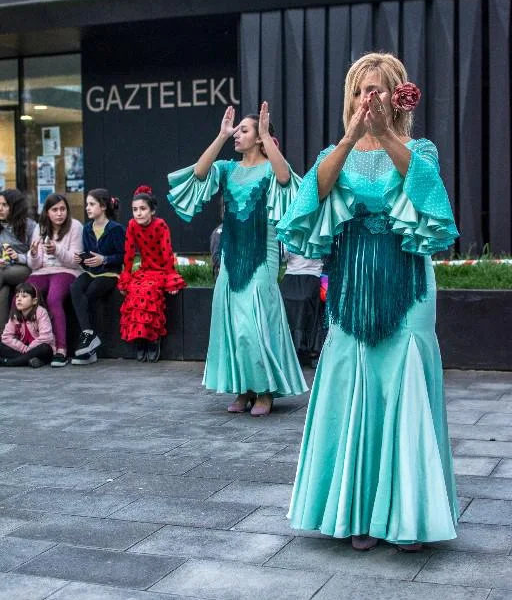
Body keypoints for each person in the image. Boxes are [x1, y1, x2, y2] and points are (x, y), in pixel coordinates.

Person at [277, 53, 459, 551]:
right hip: (351, 282)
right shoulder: (334, 152)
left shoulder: (420, 148)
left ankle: (408, 517)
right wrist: (352, 137)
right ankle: (356, 509)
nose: (368, 99)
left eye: (376, 90)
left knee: (406, 380)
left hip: (409, 282)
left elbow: (427, 191)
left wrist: (387, 135)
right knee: (353, 381)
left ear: (397, 96)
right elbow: (312, 194)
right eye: (360, 91)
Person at [167, 101, 308, 416]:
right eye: (237, 131)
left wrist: (267, 137)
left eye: (243, 130)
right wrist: (221, 135)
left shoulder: (271, 167)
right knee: (232, 324)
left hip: (262, 255)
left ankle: (265, 391)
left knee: (254, 326)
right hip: (231, 254)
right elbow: (199, 172)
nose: (237, 135)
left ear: (259, 137)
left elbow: (285, 179)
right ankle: (243, 389)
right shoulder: (227, 169)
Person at [118, 185, 185, 362]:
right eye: (135, 209)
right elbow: (129, 253)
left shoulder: (160, 225)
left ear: (152, 211)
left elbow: (167, 253)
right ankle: (140, 339)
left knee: (149, 292)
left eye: (143, 209)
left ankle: (153, 338)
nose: (138, 213)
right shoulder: (132, 225)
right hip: (145, 270)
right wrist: (126, 277)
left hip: (160, 271)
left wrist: (170, 278)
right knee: (134, 290)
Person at [70, 189, 125, 366]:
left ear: (103, 206)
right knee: (75, 287)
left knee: (91, 292)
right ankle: (88, 334)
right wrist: (81, 259)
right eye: (87, 204)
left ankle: (89, 346)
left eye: (92, 204)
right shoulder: (87, 229)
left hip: (110, 273)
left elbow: (123, 256)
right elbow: (88, 256)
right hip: (91, 272)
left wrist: (105, 259)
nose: (87, 207)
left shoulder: (116, 229)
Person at [27, 193, 83, 367]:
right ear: (47, 212)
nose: (59, 213)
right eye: (55, 210)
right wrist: (33, 254)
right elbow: (34, 265)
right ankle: (26, 346)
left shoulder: (75, 226)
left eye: (63, 209)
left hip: (67, 270)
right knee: (22, 296)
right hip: (41, 271)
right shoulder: (40, 227)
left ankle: (61, 349)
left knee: (54, 298)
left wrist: (57, 250)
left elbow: (76, 260)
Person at [280, 249, 325, 367]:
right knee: (285, 298)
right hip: (293, 273)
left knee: (304, 300)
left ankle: (304, 349)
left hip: (311, 273)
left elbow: (283, 257)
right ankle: (295, 348)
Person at [0, 189, 36, 334]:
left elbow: (37, 255)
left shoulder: (30, 226)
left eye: (4, 205)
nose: (0, 208)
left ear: (15, 207)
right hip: (4, 268)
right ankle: (4, 336)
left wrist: (18, 256)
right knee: (3, 292)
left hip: (24, 267)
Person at [0, 281, 55, 368]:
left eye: (24, 296)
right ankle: (30, 361)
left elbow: (46, 337)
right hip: (22, 350)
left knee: (45, 348)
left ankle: (10, 362)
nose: (19, 299)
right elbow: (6, 337)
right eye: (17, 296)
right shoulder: (15, 315)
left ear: (34, 301)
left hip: (37, 349)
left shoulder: (41, 312)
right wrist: (23, 348)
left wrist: (29, 349)